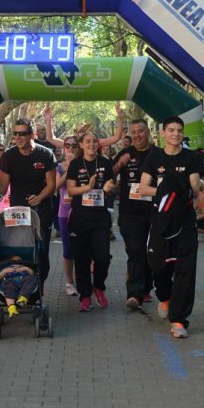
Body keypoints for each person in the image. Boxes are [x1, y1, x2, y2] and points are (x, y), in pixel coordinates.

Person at [139, 117, 202, 338]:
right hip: (160, 222)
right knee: (158, 266)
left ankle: (179, 321)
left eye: (179, 131)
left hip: (185, 223)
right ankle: (165, 297)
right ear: (163, 133)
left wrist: (196, 187)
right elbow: (142, 188)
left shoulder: (192, 157)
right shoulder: (154, 156)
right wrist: (167, 191)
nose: (176, 134)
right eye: (171, 130)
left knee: (186, 270)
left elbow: (195, 185)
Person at [0, 119, 57, 287]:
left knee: (42, 253)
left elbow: (52, 184)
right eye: (15, 134)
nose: (18, 137)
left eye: (22, 134)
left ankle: (39, 288)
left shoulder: (45, 154)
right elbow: (3, 185)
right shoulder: (9, 155)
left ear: (33, 135)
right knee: (21, 252)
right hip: (18, 214)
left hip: (41, 212)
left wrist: (40, 197)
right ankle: (21, 287)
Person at [66, 131, 117, 311]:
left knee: (102, 257)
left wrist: (110, 188)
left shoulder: (105, 163)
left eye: (94, 141)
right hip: (80, 218)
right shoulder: (75, 164)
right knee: (81, 259)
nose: (91, 145)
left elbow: (112, 188)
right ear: (81, 144)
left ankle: (99, 287)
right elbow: (71, 191)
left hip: (100, 218)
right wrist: (88, 186)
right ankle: (85, 295)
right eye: (88, 141)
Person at [112, 119, 158, 309]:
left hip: (155, 214)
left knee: (151, 254)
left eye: (141, 131)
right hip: (130, 214)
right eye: (134, 132)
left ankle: (146, 288)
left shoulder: (158, 154)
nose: (137, 135)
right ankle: (134, 294)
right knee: (136, 251)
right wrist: (114, 174)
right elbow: (109, 174)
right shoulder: (125, 154)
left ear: (148, 132)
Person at [55, 135, 79, 296]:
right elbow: (56, 186)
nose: (70, 148)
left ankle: (83, 281)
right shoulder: (59, 166)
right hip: (64, 213)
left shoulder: (84, 164)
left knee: (84, 249)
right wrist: (69, 168)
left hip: (83, 212)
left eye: (74, 145)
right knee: (68, 250)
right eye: (67, 145)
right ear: (64, 148)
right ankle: (69, 282)